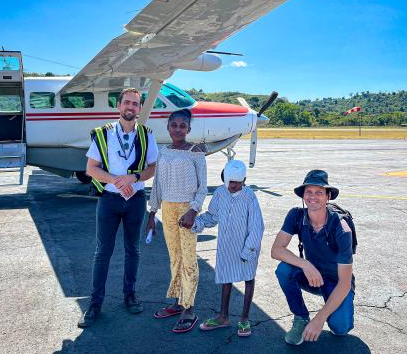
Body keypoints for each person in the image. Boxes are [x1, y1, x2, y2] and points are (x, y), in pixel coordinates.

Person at [78, 88, 158, 328]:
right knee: (102, 252)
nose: (130, 107)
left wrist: (132, 179)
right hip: (109, 200)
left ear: (140, 108)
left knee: (132, 249)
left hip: (134, 200)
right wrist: (116, 180)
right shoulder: (103, 134)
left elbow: (152, 167)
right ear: (118, 105)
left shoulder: (146, 134)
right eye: (127, 102)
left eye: (135, 103)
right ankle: (94, 303)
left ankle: (129, 295)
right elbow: (91, 169)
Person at [271, 170, 354, 345]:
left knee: (340, 328)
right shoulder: (296, 215)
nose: (313, 197)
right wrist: (306, 265)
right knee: (284, 270)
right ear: (303, 196)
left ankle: (330, 308)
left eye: (319, 192)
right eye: (309, 192)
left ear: (328, 196)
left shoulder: (341, 228)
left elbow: (345, 282)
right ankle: (301, 318)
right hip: (312, 276)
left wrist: (319, 319)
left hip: (336, 282)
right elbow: (276, 250)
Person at [147, 109, 207, 333]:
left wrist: (193, 210)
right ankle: (178, 301)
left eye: (183, 126)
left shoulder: (195, 152)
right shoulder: (163, 153)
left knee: (189, 259)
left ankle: (189, 308)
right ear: (169, 127)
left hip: (186, 211)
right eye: (175, 125)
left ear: (189, 129)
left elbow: (202, 188)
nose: (178, 129)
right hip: (168, 210)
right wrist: (152, 213)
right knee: (175, 258)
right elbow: (157, 186)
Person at [193, 160, 264, 337]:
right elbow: (212, 216)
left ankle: (245, 318)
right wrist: (197, 223)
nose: (235, 186)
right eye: (231, 182)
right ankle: (223, 316)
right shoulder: (219, 193)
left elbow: (257, 225)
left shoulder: (249, 196)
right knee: (226, 278)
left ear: (245, 180)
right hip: (226, 246)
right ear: (225, 180)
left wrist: (249, 249)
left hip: (247, 246)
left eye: (239, 182)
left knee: (248, 278)